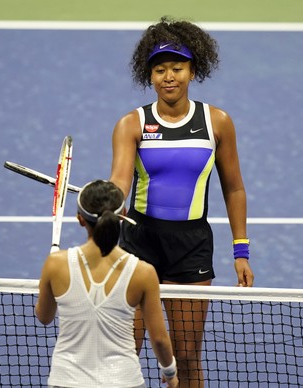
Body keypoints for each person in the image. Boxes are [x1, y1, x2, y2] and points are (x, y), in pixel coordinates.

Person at [109, 16, 255, 387]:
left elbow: (234, 188)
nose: (169, 76)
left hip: (191, 247)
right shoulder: (132, 124)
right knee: (126, 349)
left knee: (186, 356)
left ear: (193, 71)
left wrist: (241, 251)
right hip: (138, 244)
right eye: (160, 70)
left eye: (177, 68)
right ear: (150, 75)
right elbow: (120, 181)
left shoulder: (217, 122)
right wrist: (108, 203)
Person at [35, 179, 179, 388]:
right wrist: (170, 371)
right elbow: (159, 339)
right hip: (123, 382)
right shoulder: (143, 272)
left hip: (66, 381)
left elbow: (44, 316)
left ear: (80, 220)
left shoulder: (56, 264)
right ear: (123, 215)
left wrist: (47, 282)